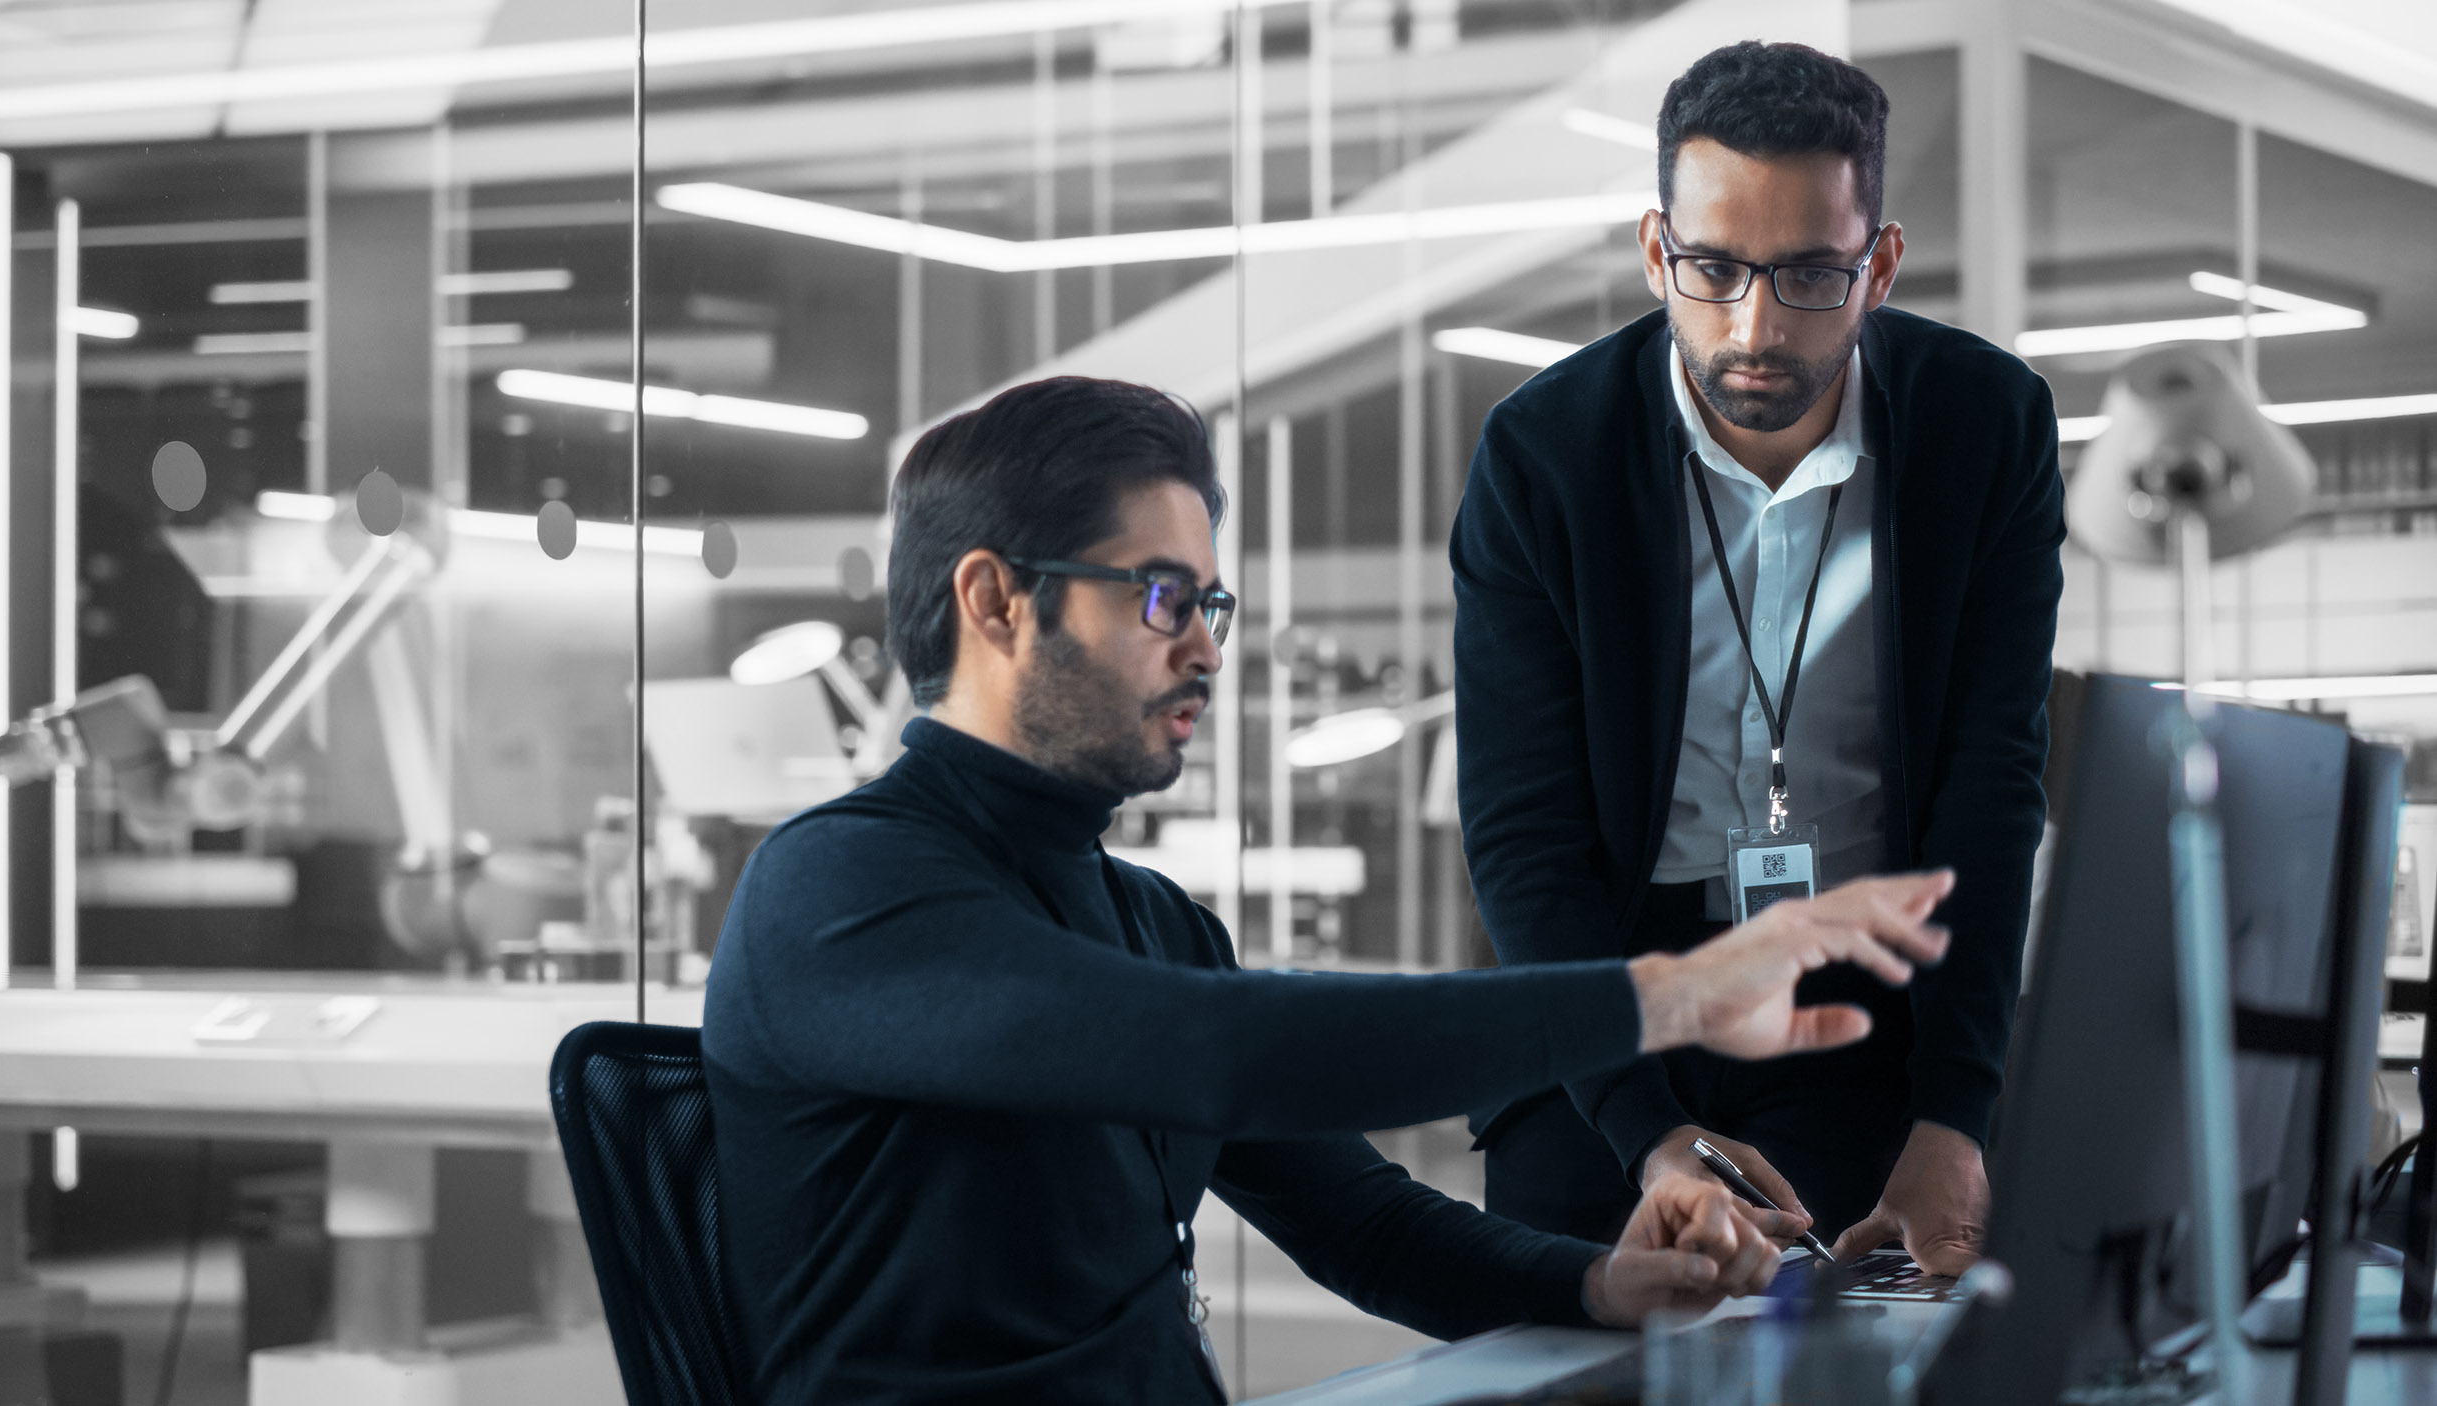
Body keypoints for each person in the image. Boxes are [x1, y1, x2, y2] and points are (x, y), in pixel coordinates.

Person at [703, 375, 1959, 1403]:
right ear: (994, 600)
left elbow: (1362, 1221)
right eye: (1159, 596)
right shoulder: (836, 885)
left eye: (1211, 601)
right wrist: (1665, 995)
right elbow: (1226, 1056)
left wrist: (1596, 1282)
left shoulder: (1147, 917)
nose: (1201, 643)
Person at [1450, 41, 2062, 1275]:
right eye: (1713, 269)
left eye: (1808, 276)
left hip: (1862, 1010)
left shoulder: (1980, 427)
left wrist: (1956, 1112)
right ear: (1652, 250)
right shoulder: (1541, 457)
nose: (1754, 326)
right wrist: (1648, 1131)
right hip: (1606, 1007)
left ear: (1878, 264)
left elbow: (1991, 795)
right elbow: (1523, 836)